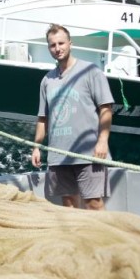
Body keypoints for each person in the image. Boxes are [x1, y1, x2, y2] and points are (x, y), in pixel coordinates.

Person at [31, 24, 114, 210]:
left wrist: (102, 141)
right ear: (48, 48)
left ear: (70, 43)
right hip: (59, 156)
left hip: (88, 154)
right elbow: (42, 118)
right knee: (68, 205)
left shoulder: (90, 71)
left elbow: (106, 108)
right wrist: (36, 147)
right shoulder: (47, 81)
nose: (57, 48)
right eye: (52, 45)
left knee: (93, 204)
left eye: (61, 43)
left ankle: (104, 239)